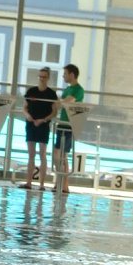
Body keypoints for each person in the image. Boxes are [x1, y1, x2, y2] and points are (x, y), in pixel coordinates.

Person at [20, 66, 58, 191]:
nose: (42, 79)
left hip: (43, 125)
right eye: (40, 77)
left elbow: (54, 112)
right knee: (31, 154)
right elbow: (24, 107)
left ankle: (42, 184)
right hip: (31, 123)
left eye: (44, 77)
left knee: (42, 154)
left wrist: (44, 119)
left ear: (48, 78)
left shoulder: (51, 94)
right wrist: (28, 116)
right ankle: (29, 182)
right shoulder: (31, 91)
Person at [53, 63, 84, 194]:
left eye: (65, 74)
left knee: (63, 155)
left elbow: (67, 102)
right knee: (56, 154)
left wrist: (61, 102)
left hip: (70, 125)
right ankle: (59, 181)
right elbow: (60, 104)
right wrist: (60, 102)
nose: (63, 76)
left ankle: (65, 185)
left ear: (72, 74)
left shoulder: (78, 89)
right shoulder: (67, 89)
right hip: (62, 123)